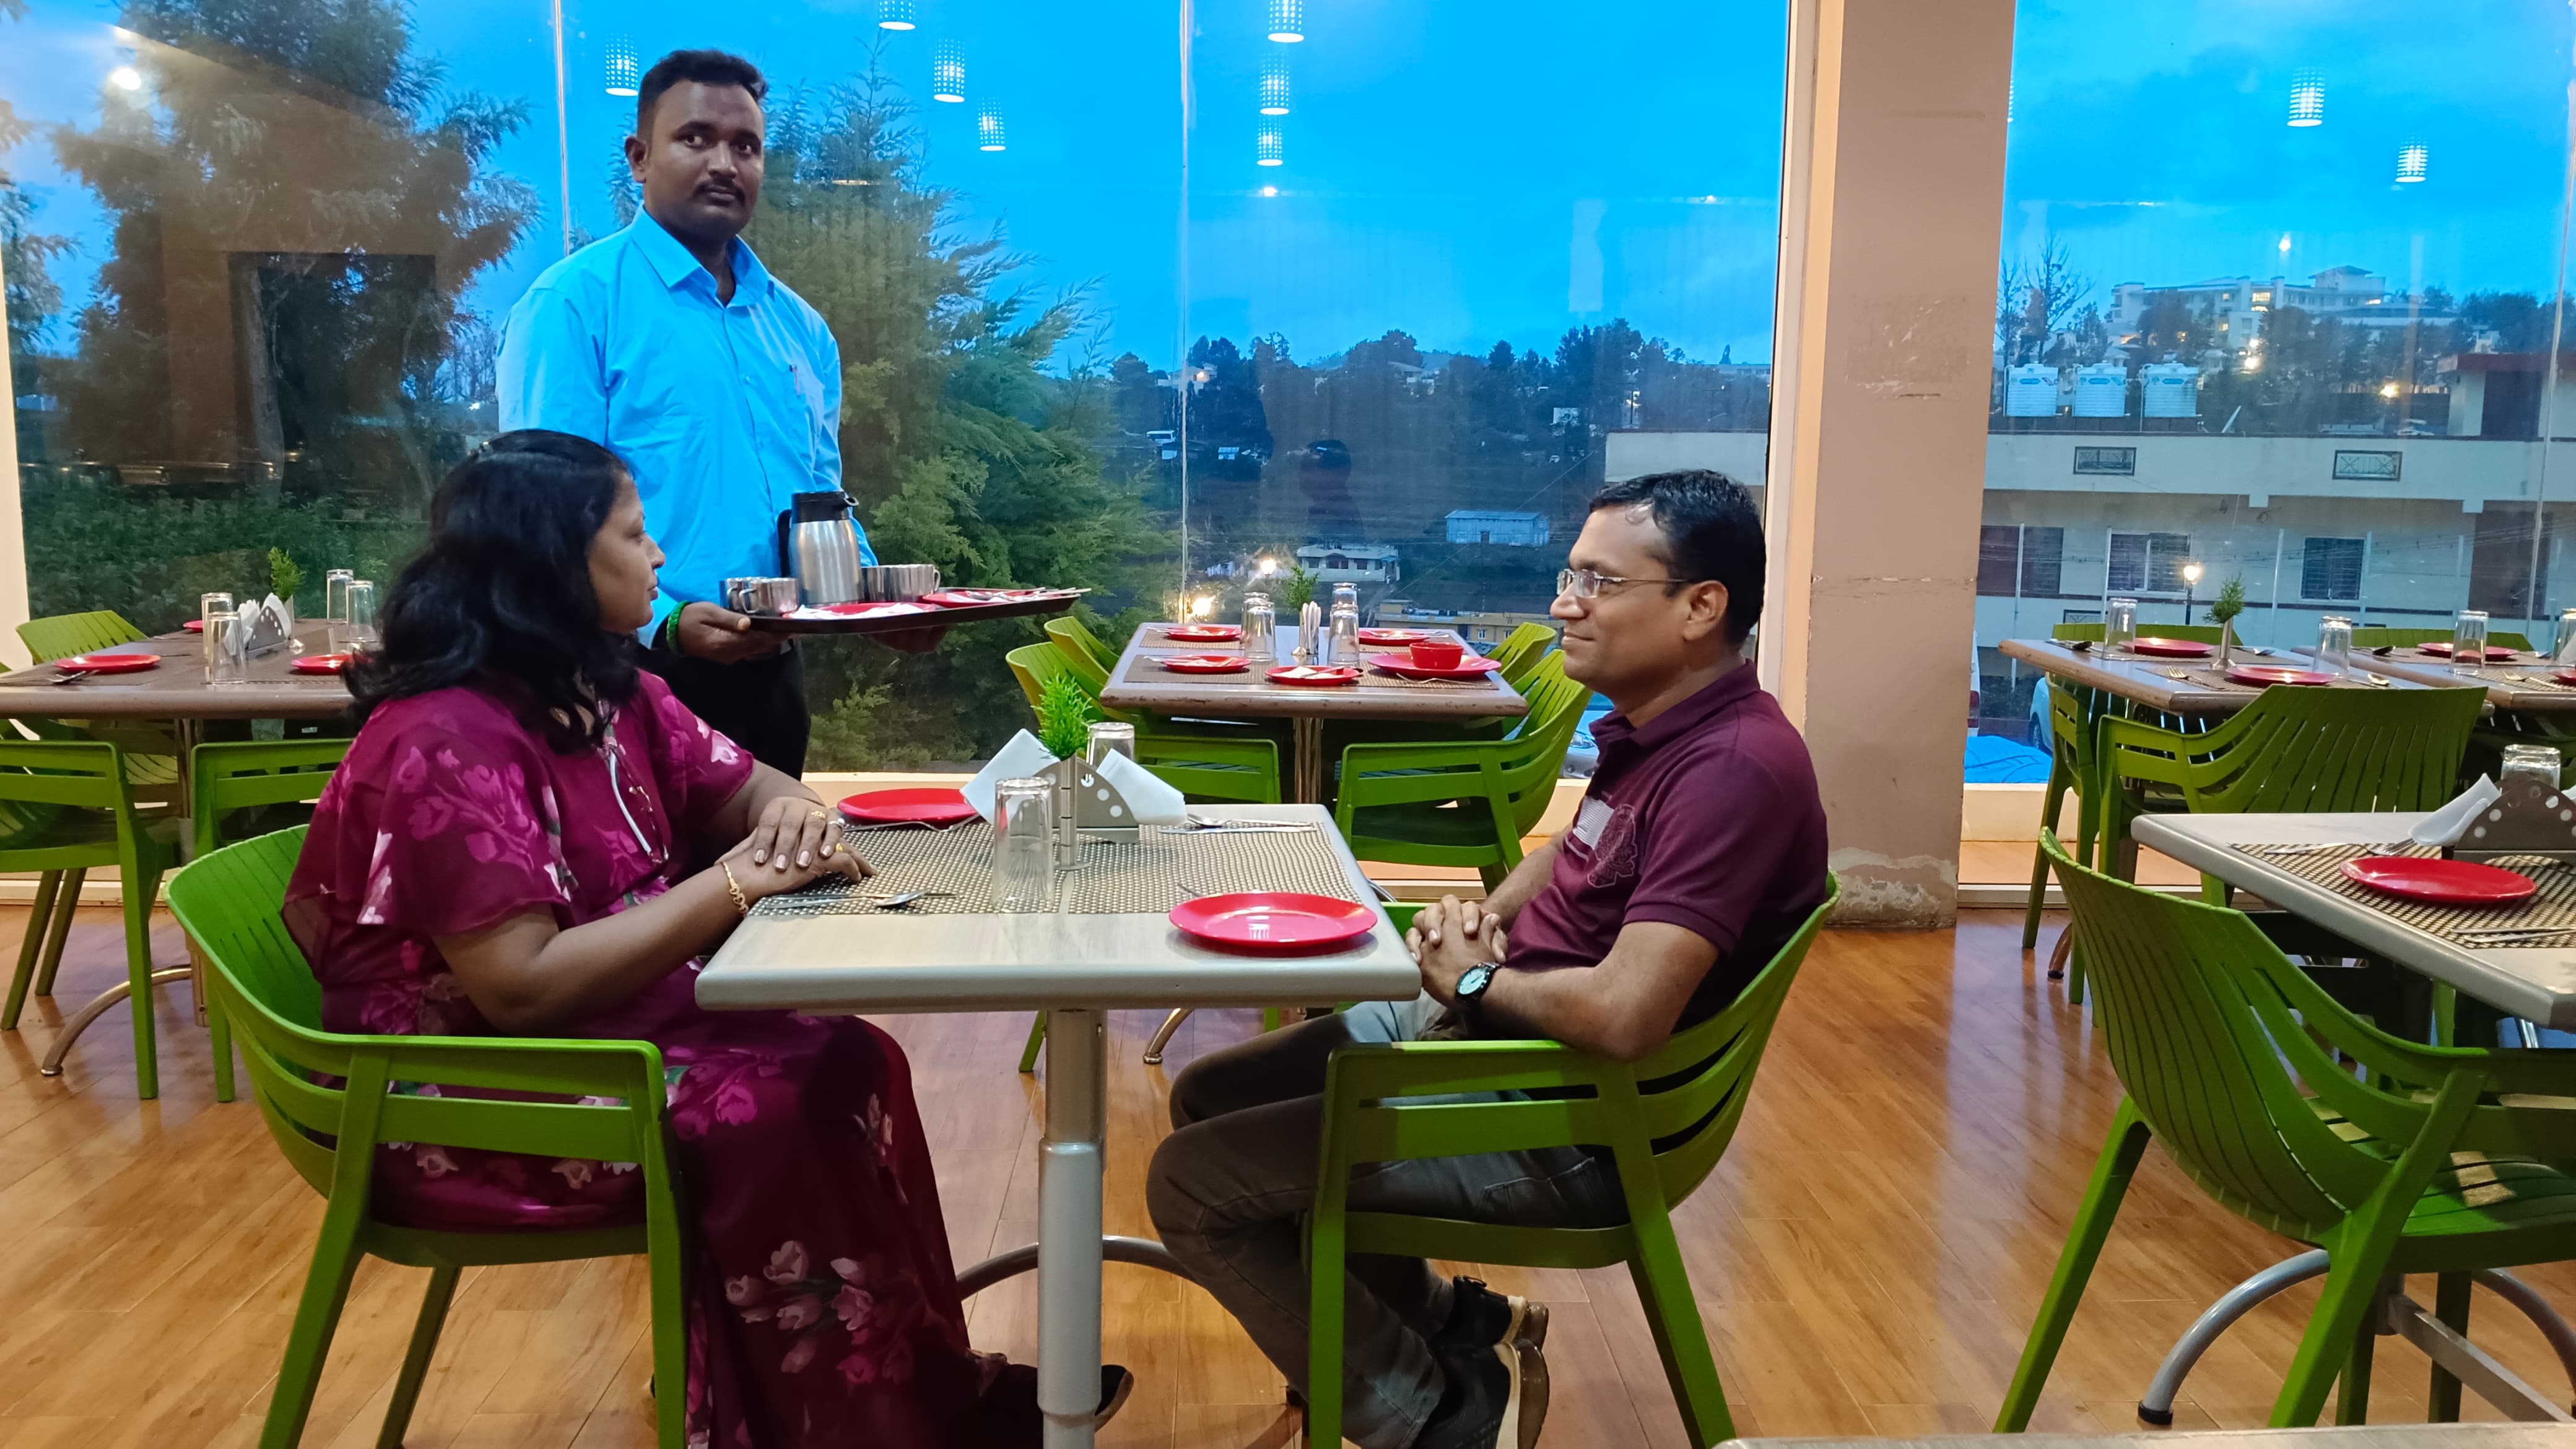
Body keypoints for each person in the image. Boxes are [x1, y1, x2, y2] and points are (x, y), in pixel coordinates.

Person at [283, 431, 1126, 1447]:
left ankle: (921, 1400)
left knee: (853, 1058)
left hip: (600, 1030)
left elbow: (749, 786)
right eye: (633, 535)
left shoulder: (608, 690)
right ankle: (849, 1427)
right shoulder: (447, 737)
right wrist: (735, 884)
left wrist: (790, 816)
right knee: (774, 1108)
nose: (659, 556)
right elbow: (520, 988)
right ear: (553, 562)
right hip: (461, 1089)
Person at [1146, 469, 1828, 1449]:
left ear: (1701, 607)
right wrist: (1481, 915)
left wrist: (1473, 979)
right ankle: (1447, 1324)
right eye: (1570, 576)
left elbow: (1624, 1016)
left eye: (1599, 583)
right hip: (1501, 1044)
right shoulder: (1664, 730)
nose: (1565, 604)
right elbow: (1577, 849)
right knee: (1211, 1095)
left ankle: (1444, 1417)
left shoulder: (1730, 771)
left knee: (1190, 1185)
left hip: (1571, 1122)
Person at [497, 48, 872, 776]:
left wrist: (882, 604)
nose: (724, 164)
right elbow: (538, 520)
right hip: (620, 681)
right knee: (642, 860)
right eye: (695, 139)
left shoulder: (800, 329)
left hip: (772, 684)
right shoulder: (572, 306)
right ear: (639, 158)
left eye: (746, 146)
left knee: (779, 850)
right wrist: (665, 624)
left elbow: (823, 501)